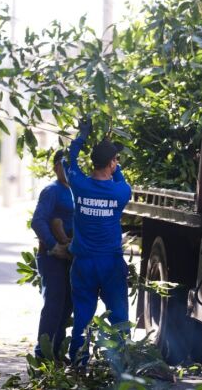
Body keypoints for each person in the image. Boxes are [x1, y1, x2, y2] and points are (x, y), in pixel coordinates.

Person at [66, 118, 132, 364]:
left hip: (83, 264)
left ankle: (78, 362)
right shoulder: (121, 192)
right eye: (115, 160)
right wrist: (116, 166)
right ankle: (122, 364)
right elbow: (120, 180)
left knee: (82, 316)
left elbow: (70, 161)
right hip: (110, 265)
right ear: (112, 163)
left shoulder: (79, 185)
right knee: (119, 317)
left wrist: (81, 137)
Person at [30, 150, 74, 359]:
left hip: (71, 258)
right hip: (51, 258)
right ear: (56, 167)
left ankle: (56, 352)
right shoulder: (52, 191)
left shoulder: (76, 191)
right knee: (54, 305)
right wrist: (53, 245)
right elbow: (37, 221)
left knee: (67, 305)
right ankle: (42, 354)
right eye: (65, 164)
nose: (69, 169)